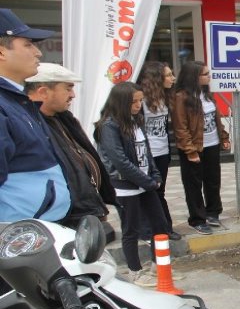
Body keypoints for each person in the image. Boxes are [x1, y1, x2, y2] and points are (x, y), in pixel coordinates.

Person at [94, 82, 168, 287]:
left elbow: (147, 152)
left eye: (140, 100)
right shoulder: (109, 125)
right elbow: (120, 161)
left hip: (146, 183)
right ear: (121, 101)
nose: (138, 105)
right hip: (125, 186)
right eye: (134, 101)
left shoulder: (137, 121)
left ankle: (159, 268)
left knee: (160, 225)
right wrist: (148, 181)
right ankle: (135, 271)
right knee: (131, 229)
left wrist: (154, 175)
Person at [24, 63, 116, 229]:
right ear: (43, 92)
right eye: (68, 88)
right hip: (57, 222)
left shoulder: (63, 119)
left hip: (83, 216)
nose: (73, 95)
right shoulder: (29, 126)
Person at [0, 9, 70, 223]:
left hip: (33, 231)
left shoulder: (16, 100)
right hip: (17, 239)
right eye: (28, 44)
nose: (38, 52)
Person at [172, 61, 230, 235]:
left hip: (212, 144)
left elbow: (216, 119)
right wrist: (190, 151)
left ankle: (213, 212)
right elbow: (180, 127)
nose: (209, 76)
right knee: (193, 185)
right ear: (194, 77)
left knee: (213, 181)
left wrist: (224, 137)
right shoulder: (181, 97)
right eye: (205, 74)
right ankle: (197, 219)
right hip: (194, 147)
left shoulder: (207, 95)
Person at [136, 61, 181, 240]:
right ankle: (154, 230)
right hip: (147, 154)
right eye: (168, 75)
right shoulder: (141, 101)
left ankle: (163, 229)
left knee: (159, 191)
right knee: (149, 192)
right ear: (156, 78)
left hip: (163, 152)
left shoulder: (164, 98)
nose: (172, 78)